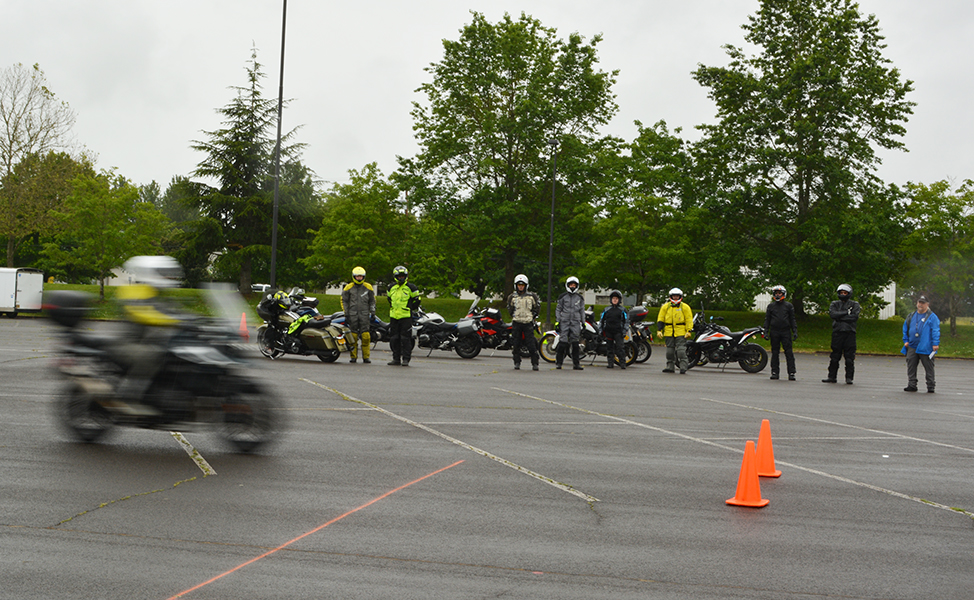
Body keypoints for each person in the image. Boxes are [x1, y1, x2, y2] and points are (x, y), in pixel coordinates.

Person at [115, 255, 184, 407]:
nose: (167, 276)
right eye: (161, 272)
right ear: (149, 272)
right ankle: (130, 394)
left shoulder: (154, 293)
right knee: (152, 355)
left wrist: (196, 319)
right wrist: (174, 320)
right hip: (128, 345)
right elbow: (146, 313)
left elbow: (170, 310)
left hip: (146, 342)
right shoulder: (135, 293)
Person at [901, 295, 940, 393]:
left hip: (925, 346)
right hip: (912, 346)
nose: (920, 304)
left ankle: (931, 386)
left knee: (928, 367)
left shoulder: (932, 317)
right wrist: (906, 341)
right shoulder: (911, 316)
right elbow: (905, 328)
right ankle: (912, 384)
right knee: (911, 366)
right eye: (919, 302)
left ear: (927, 304)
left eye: (923, 303)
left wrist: (935, 343)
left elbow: (935, 330)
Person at [823, 283, 860, 384]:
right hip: (837, 333)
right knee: (834, 356)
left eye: (845, 292)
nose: (843, 294)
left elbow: (854, 317)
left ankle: (849, 378)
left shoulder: (855, 304)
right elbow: (833, 315)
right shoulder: (834, 304)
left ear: (849, 293)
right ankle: (832, 377)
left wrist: (840, 317)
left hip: (849, 333)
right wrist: (846, 313)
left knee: (849, 358)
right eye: (841, 293)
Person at [387, 265, 421, 367]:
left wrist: (409, 308)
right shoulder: (391, 287)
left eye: (403, 276)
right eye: (399, 276)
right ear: (395, 277)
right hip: (394, 316)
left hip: (406, 316)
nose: (401, 278)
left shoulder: (411, 287)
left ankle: (406, 359)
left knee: (405, 339)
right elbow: (389, 300)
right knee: (394, 338)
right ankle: (396, 359)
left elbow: (417, 300)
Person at [506, 273, 541, 371]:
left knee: (531, 344)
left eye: (522, 285)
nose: (520, 287)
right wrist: (515, 315)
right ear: (516, 286)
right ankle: (517, 362)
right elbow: (510, 308)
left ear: (526, 286)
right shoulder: (512, 296)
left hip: (528, 322)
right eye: (519, 285)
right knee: (516, 344)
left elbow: (537, 308)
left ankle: (535, 363)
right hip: (517, 322)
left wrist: (532, 316)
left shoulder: (532, 296)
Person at [342, 266, 376, 364]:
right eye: (357, 276)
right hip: (352, 315)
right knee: (353, 336)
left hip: (364, 315)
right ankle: (353, 357)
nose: (359, 278)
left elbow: (372, 301)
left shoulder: (368, 287)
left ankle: (366, 357)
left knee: (366, 336)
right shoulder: (348, 287)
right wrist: (346, 313)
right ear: (354, 277)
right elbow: (344, 301)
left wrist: (373, 312)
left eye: (361, 276)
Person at [763, 284, 798, 380]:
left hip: (785, 331)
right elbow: (767, 320)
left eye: (779, 293)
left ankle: (791, 373)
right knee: (775, 352)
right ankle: (775, 372)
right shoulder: (771, 306)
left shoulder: (788, 306)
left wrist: (794, 330)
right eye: (776, 293)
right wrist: (766, 331)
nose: (778, 295)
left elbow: (792, 319)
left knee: (789, 352)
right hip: (774, 331)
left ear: (783, 294)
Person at [657, 288, 693, 374]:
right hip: (669, 331)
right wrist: (659, 330)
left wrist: (689, 330)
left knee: (681, 351)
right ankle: (670, 367)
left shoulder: (685, 307)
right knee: (669, 351)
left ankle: (683, 367)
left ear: (680, 296)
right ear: (671, 296)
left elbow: (689, 319)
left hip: (681, 332)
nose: (676, 298)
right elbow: (661, 319)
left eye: (677, 296)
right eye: (674, 296)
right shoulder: (665, 307)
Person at [555, 276, 586, 370]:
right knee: (563, 342)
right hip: (564, 322)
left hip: (575, 322)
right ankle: (559, 363)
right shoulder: (562, 297)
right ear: (568, 285)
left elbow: (582, 311)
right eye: (571, 285)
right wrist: (558, 322)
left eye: (574, 285)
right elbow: (558, 309)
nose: (572, 286)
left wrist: (583, 322)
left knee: (575, 344)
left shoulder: (580, 298)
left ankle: (576, 364)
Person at [599, 290, 628, 369]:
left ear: (619, 300)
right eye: (613, 298)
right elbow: (601, 320)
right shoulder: (606, 310)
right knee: (609, 348)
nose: (614, 300)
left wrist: (624, 331)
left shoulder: (623, 310)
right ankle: (610, 363)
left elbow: (626, 321)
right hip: (609, 331)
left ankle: (622, 363)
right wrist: (600, 331)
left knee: (620, 348)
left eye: (616, 298)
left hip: (618, 332)